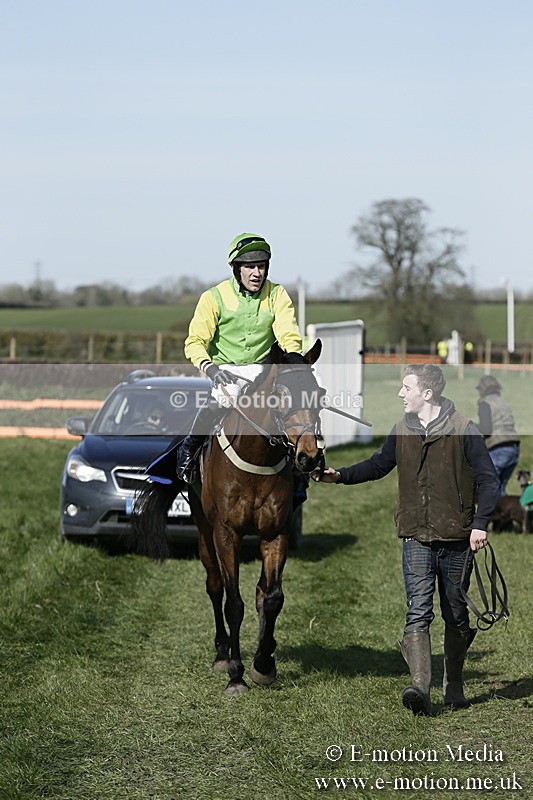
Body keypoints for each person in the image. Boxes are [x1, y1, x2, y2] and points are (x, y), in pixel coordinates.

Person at [315, 364, 500, 716]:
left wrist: (480, 524)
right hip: (415, 535)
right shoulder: (401, 429)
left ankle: (454, 682)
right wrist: (339, 476)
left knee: (456, 613)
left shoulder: (464, 429)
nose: (401, 394)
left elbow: (489, 480)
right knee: (418, 610)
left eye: (406, 387)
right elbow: (378, 465)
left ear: (426, 394)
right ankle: (419, 686)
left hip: (456, 536)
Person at [176, 232, 303, 484]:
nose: (257, 273)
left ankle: (300, 466)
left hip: (264, 369)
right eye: (250, 267)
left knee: (298, 401)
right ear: (237, 269)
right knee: (224, 397)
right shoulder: (213, 297)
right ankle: (189, 451)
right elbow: (195, 342)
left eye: (262, 266)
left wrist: (293, 359)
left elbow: (288, 333)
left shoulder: (277, 294)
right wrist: (210, 368)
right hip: (227, 370)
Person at [476, 375, 520, 495]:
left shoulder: (485, 403)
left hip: (498, 448)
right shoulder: (503, 402)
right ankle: (506, 513)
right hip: (514, 449)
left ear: (483, 389)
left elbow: (486, 429)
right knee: (500, 489)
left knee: (488, 487)